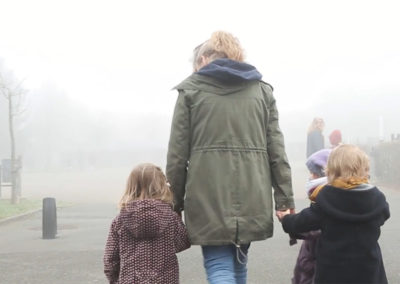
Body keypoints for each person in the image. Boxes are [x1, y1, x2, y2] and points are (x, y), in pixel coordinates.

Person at [166, 31, 294, 283]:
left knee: (219, 265)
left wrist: (174, 204)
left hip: (207, 195)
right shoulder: (262, 92)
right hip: (252, 193)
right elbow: (277, 151)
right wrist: (284, 199)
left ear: (203, 59)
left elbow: (177, 157)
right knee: (238, 263)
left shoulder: (190, 92)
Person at [278, 144, 390, 284]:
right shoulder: (376, 199)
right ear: (365, 169)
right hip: (369, 273)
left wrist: (286, 218)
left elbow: (302, 222)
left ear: (331, 171)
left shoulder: (327, 199)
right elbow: (384, 215)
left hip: (333, 274)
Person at [103, 163, 191, 284]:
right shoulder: (171, 218)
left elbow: (111, 259)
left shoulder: (120, 221)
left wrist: (114, 280)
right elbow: (183, 243)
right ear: (162, 186)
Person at [291, 148, 331, 284]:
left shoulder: (326, 204)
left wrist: (290, 221)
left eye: (313, 173)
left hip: (314, 272)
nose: (310, 177)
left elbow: (314, 228)